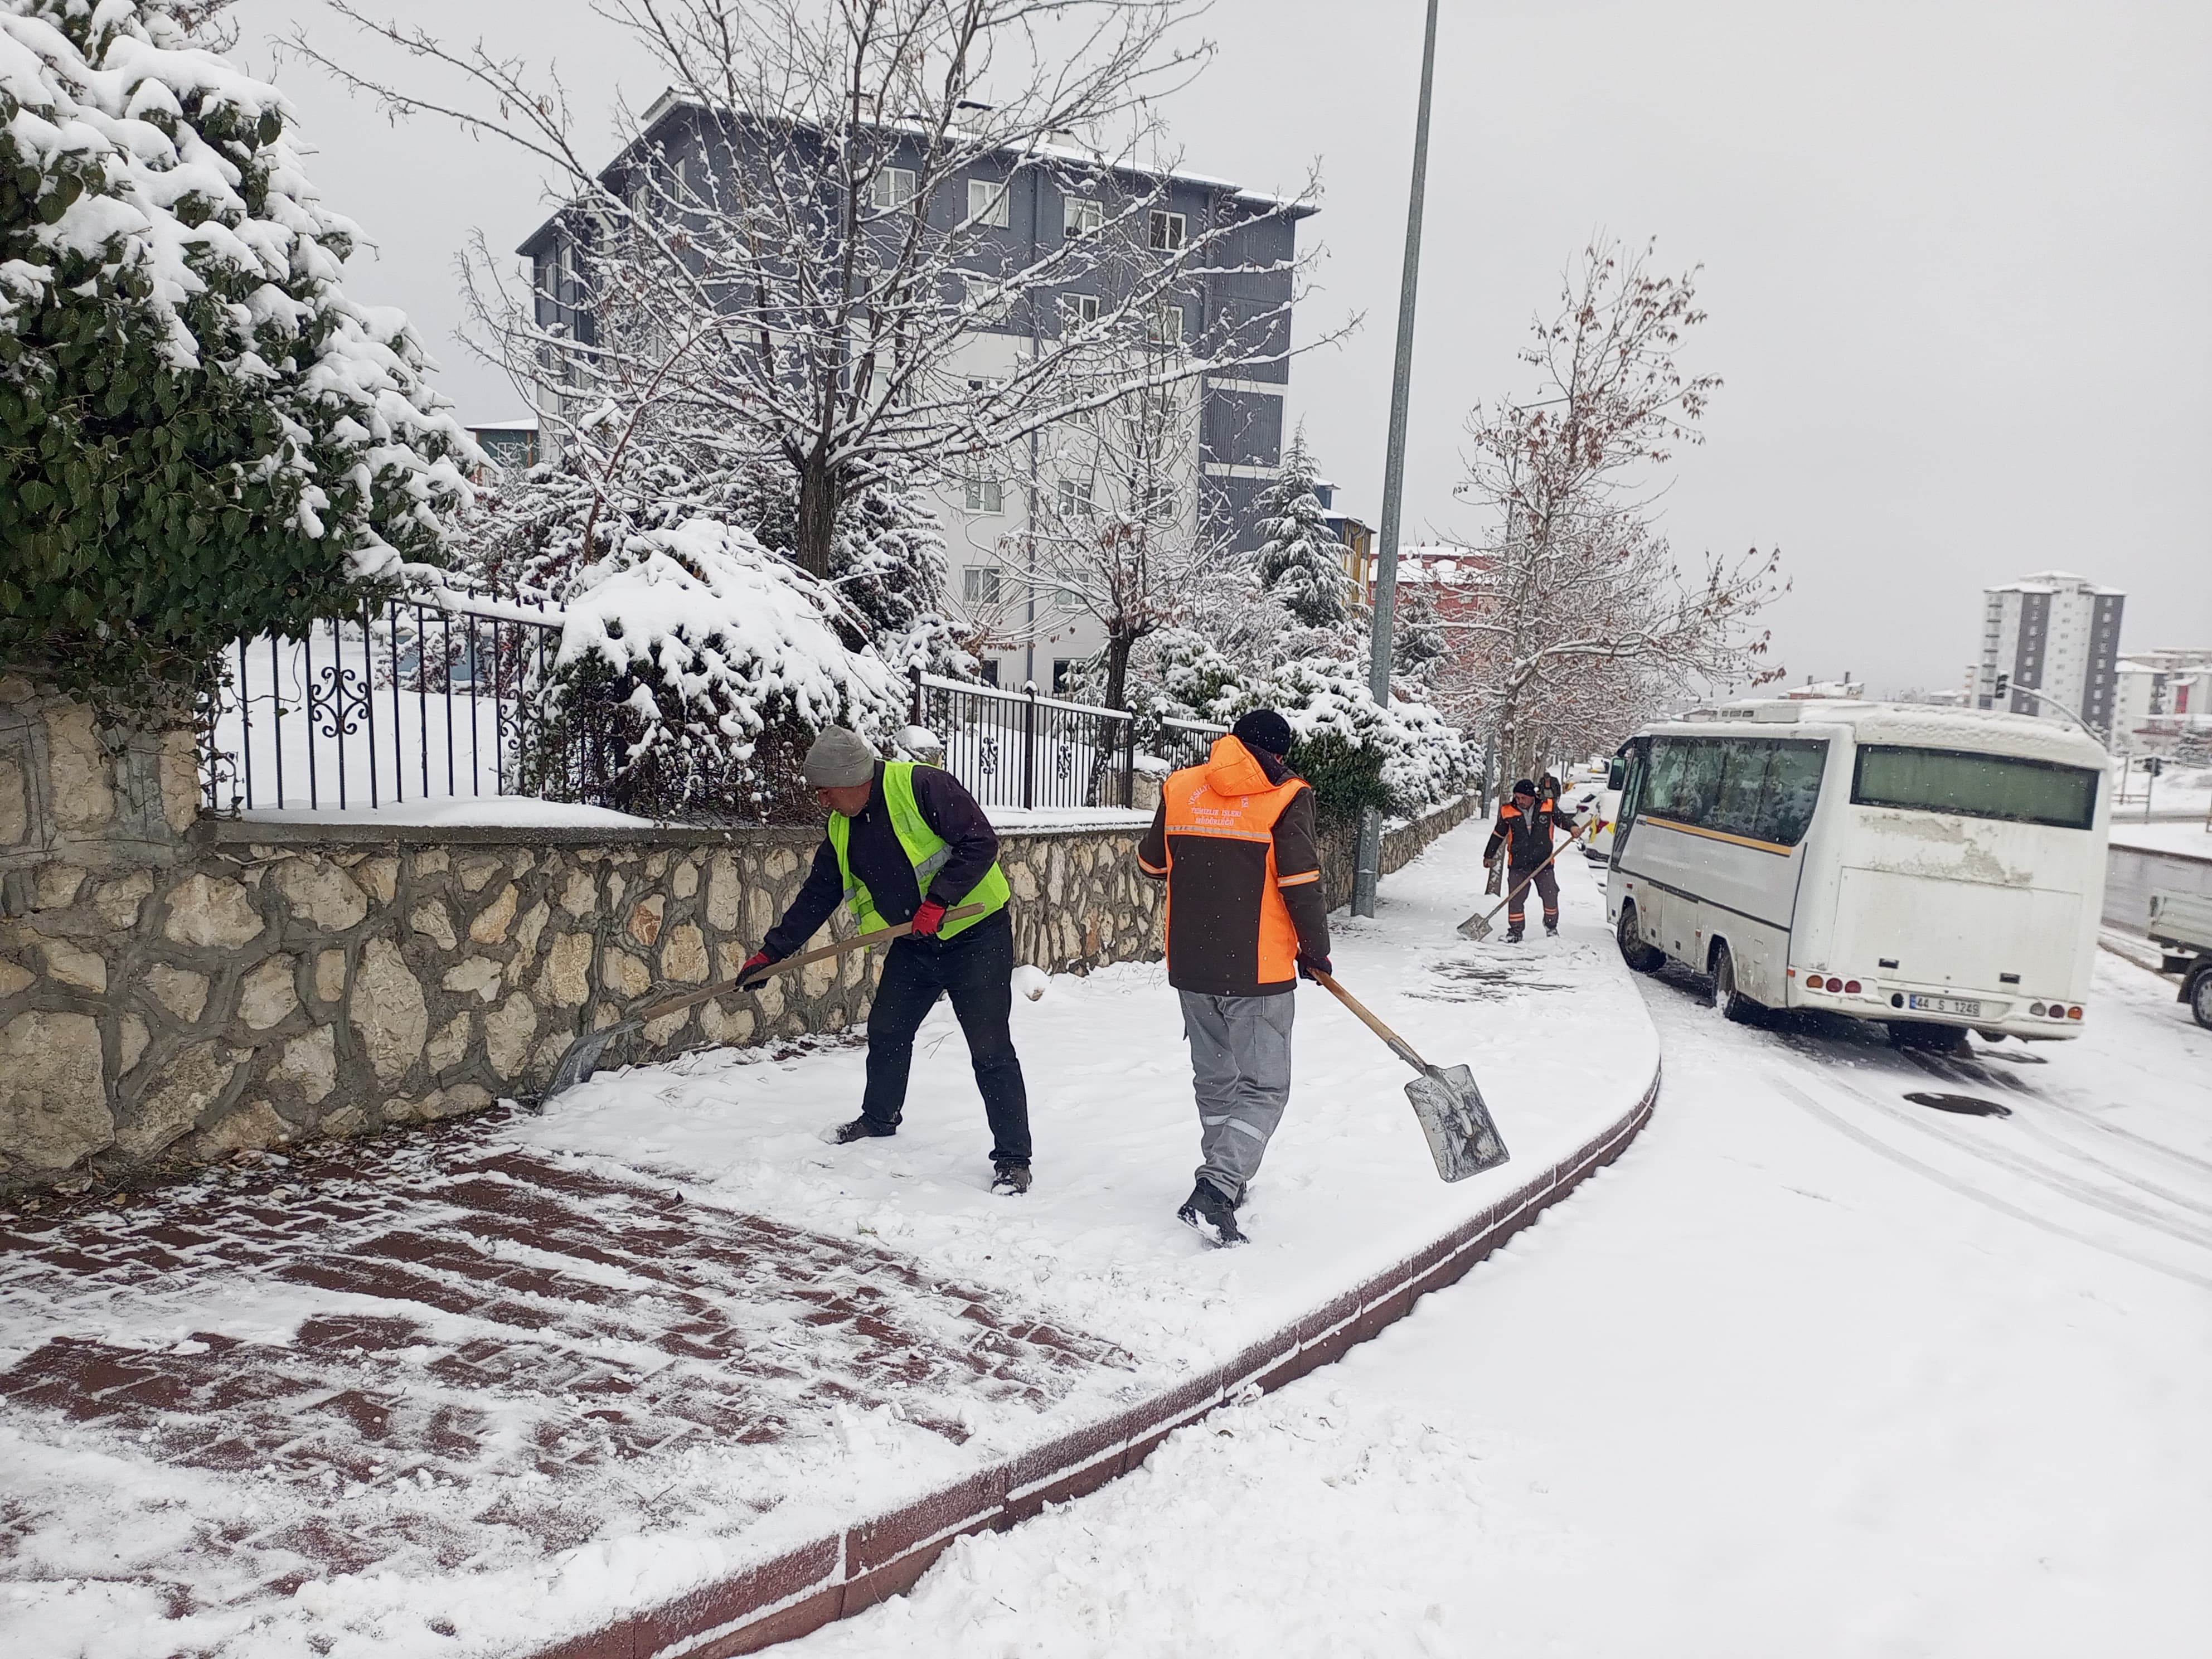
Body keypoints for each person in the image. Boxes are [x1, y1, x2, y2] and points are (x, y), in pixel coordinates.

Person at [738, 727, 1033, 1195]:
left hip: (976, 937)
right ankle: (879, 1118)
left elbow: (980, 842)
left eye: (826, 791)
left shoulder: (921, 786)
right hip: (916, 944)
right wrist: (772, 952)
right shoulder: (841, 826)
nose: (822, 802)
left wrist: (939, 900)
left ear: (852, 778)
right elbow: (818, 894)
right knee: (889, 1030)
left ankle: (1014, 1158)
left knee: (990, 1049)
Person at [1136, 709, 1331, 1246]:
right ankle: (1219, 1188)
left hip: (1191, 965)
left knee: (1217, 1077)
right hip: (1258, 970)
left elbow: (1151, 866)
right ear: (1278, 752)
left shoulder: (1181, 785)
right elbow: (1302, 884)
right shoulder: (1286, 795)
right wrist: (1316, 953)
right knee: (1265, 1087)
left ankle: (1224, 1174)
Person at [1483, 778, 1579, 942]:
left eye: (1523, 798)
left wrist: (1572, 827)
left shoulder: (1547, 806)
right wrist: (1489, 855)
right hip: (1518, 864)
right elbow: (1498, 834)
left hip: (1544, 863)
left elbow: (1561, 819)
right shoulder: (1508, 811)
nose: (1519, 801)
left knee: (1550, 896)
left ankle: (1551, 927)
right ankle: (1515, 932)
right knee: (1516, 899)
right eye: (1517, 797)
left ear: (1532, 796)